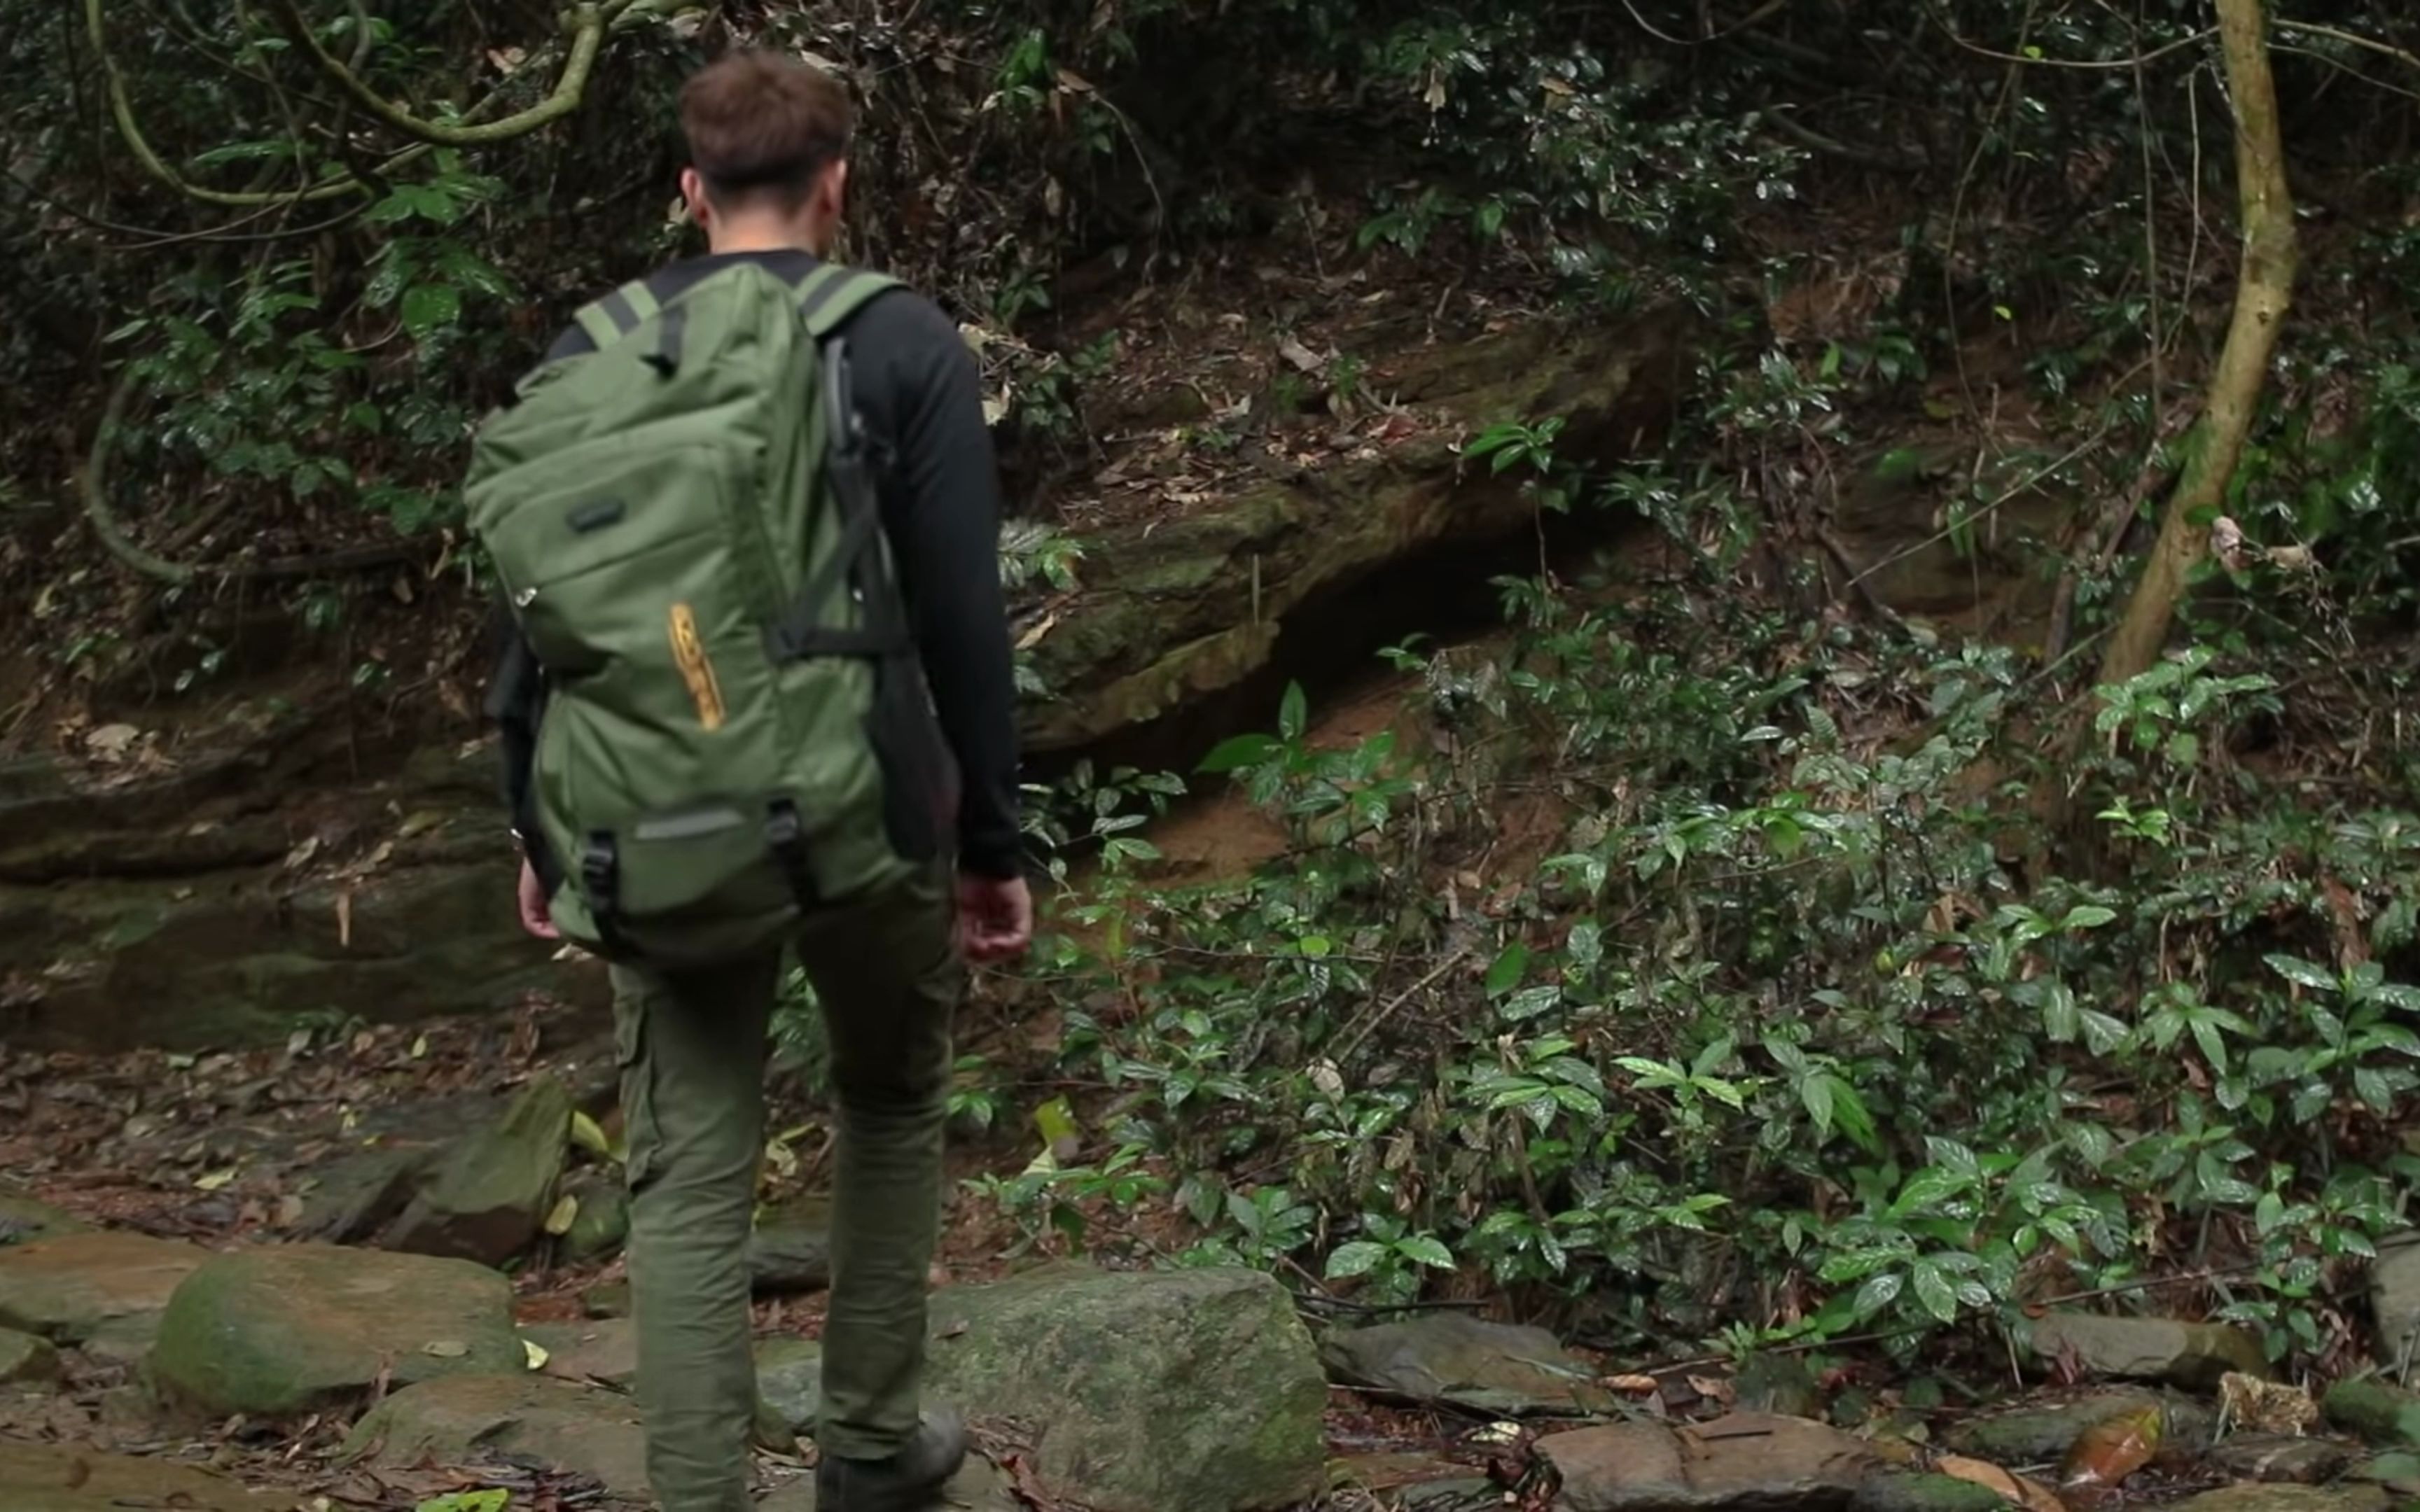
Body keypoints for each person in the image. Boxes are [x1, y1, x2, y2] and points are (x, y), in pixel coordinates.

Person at [484, 48, 1031, 1512]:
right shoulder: (901, 342)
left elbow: (542, 624)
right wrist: (992, 835)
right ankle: (867, 1446)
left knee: (686, 1167)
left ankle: (698, 1491)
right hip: (869, 805)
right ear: (837, 185)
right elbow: (961, 614)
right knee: (889, 1097)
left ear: (688, 190)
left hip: (643, 816)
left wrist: (536, 818)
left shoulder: (589, 355)